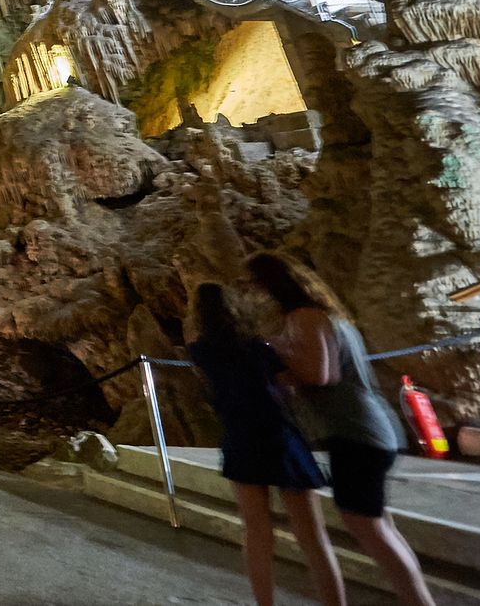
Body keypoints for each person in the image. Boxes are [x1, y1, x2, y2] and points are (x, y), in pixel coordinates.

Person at [247, 252, 437, 606]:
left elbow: (322, 374)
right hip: (368, 430)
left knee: (370, 529)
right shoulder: (330, 317)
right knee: (382, 528)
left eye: (254, 284)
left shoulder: (304, 317)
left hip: (356, 433)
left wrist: (276, 356)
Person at [185, 282, 344, 606]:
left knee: (257, 534)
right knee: (312, 538)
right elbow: (287, 389)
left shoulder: (201, 352)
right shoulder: (259, 348)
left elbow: (207, 388)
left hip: (241, 438)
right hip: (278, 437)